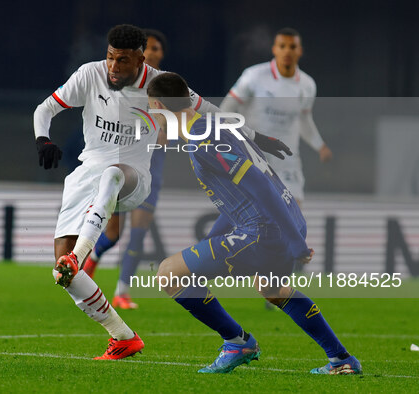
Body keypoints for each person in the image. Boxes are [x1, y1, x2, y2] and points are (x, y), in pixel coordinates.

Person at [34, 24, 288, 360]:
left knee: (112, 175)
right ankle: (122, 336)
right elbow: (45, 109)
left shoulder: (160, 85)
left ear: (140, 59)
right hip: (86, 175)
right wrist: (43, 138)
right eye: (110, 57)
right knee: (63, 274)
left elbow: (213, 113)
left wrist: (259, 138)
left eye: (122, 60)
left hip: (133, 176)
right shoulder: (90, 74)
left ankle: (79, 256)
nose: (113, 66)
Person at [149, 72, 361, 375]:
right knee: (273, 289)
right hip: (284, 217)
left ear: (158, 106)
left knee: (168, 274)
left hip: (265, 231)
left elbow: (260, 184)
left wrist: (295, 243)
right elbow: (245, 193)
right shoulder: (218, 126)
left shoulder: (201, 138)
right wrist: (212, 241)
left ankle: (237, 342)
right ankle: (342, 360)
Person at [82, 28, 169, 310]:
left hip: (151, 165)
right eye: (150, 49)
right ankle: (92, 260)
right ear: (139, 56)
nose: (153, 53)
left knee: (139, 230)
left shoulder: (166, 85)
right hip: (121, 163)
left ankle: (122, 291)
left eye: (157, 49)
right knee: (113, 234)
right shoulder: (118, 83)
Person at [220, 27, 332, 205]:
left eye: (292, 46)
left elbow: (303, 119)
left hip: (287, 158)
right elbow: (227, 107)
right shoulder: (254, 76)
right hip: (254, 152)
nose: (287, 50)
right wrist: (226, 135)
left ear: (299, 51)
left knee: (294, 211)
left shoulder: (307, 84)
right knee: (251, 210)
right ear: (274, 49)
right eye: (282, 46)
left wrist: (320, 145)